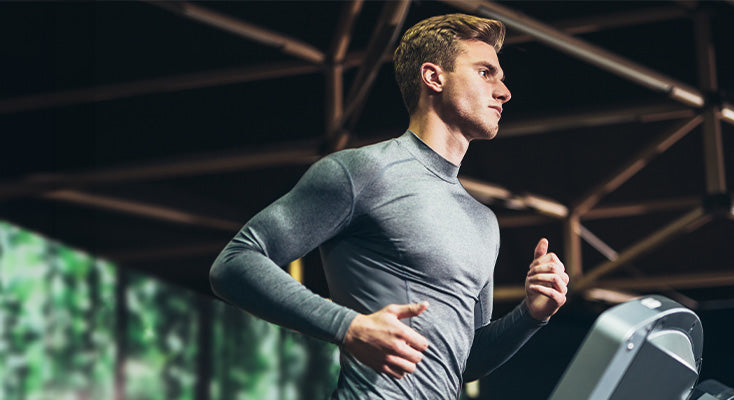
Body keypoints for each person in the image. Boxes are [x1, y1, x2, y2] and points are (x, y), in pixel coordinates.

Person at [210, 13, 569, 399]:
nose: (504, 92)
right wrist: (349, 327)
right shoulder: (364, 171)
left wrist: (531, 315)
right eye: (486, 73)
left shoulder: (483, 221)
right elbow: (234, 263)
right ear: (433, 77)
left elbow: (463, 361)